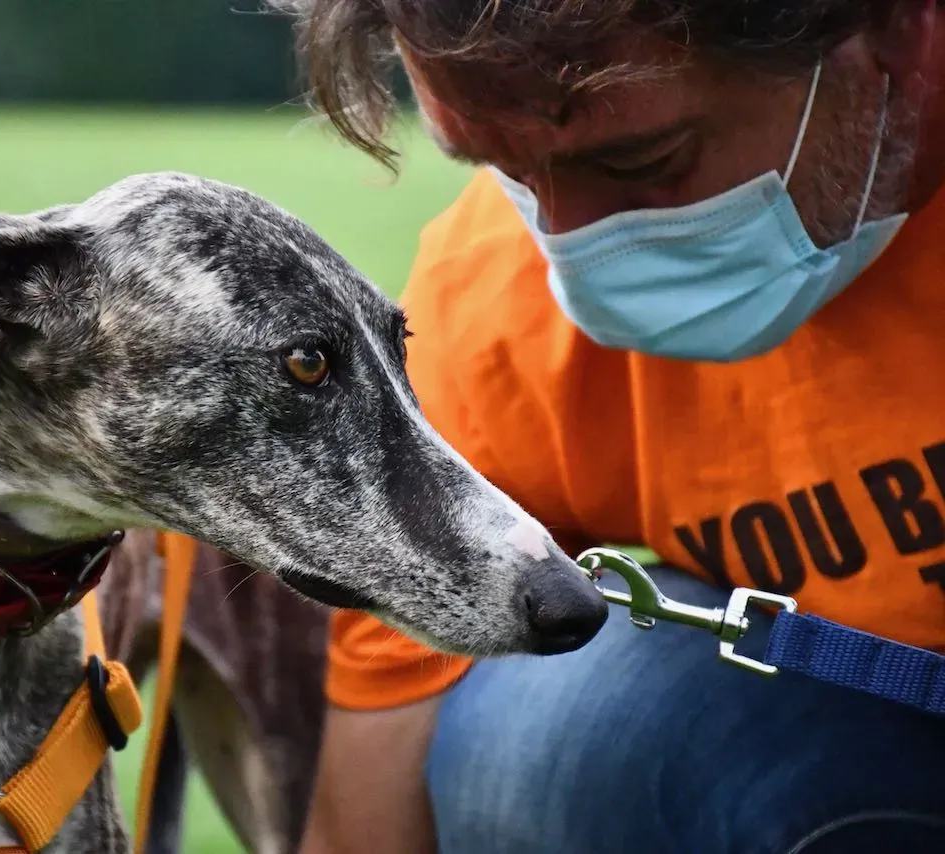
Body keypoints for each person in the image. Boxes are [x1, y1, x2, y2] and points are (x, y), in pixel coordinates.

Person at [268, 1, 945, 852]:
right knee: (544, 727)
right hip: (862, 757)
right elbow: (367, 814)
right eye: (509, 171)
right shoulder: (490, 309)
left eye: (643, 159)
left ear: (899, 27)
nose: (570, 243)